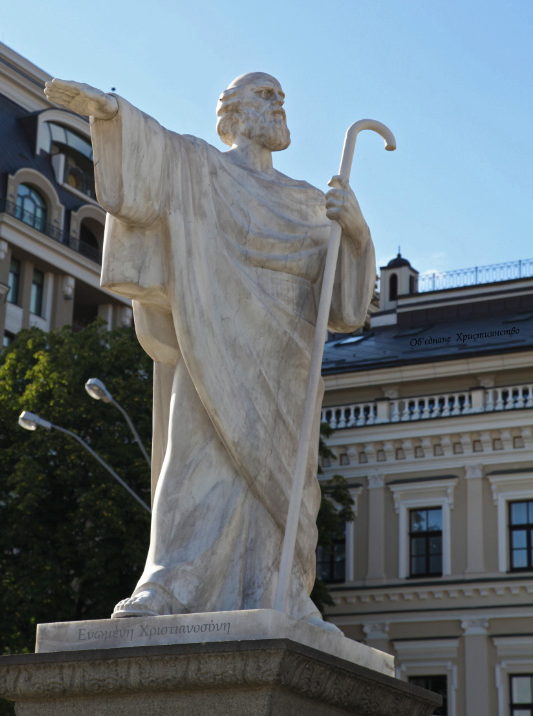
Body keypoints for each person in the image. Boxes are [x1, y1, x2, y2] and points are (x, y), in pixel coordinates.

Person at [44, 72, 375, 625]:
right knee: (193, 462)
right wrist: (111, 113)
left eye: (280, 97)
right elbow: (152, 161)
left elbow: (342, 310)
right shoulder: (201, 169)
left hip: (284, 363)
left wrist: (358, 233)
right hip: (210, 338)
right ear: (234, 115)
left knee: (284, 483)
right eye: (265, 96)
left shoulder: (310, 203)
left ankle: (279, 590)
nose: (279, 104)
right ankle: (172, 583)